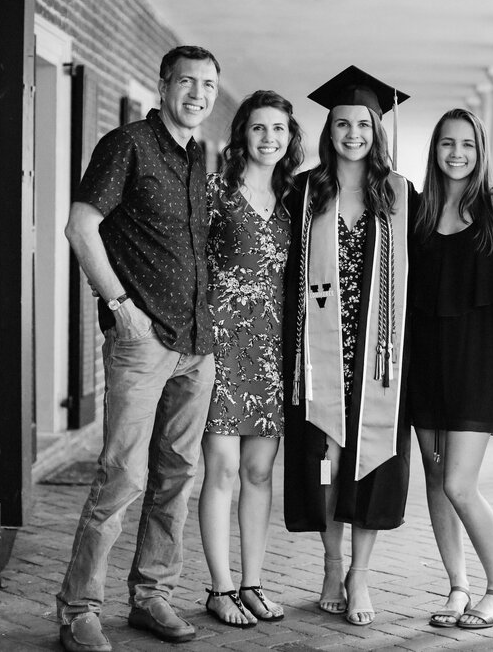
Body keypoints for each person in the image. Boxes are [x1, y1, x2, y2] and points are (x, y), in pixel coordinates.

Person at [58, 45, 221, 652]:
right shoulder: (126, 143)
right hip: (142, 342)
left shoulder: (199, 157)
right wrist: (121, 309)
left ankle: (152, 594)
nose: (199, 94)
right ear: (163, 85)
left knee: (178, 476)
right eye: (188, 82)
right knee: (121, 476)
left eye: (208, 85)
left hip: (196, 346)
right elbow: (80, 226)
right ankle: (78, 609)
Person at [282, 66, 419, 627]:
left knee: (370, 461)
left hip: (380, 354)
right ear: (328, 129)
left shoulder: (401, 195)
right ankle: (331, 565)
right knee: (326, 462)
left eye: (362, 123)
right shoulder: (304, 190)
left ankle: (360, 573)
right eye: (342, 123)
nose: (352, 134)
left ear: (377, 131)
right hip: (318, 350)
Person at [408, 108, 493, 630]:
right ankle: (457, 587)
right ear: (435, 149)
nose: (457, 153)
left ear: (480, 151)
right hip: (425, 358)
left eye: (467, 145)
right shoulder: (420, 210)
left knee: (458, 482)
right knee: (434, 477)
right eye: (447, 143)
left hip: (476, 358)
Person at [198, 90, 304, 629]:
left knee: (260, 473)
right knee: (223, 469)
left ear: (291, 138)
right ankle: (219, 588)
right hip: (220, 343)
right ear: (242, 134)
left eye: (279, 130)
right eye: (259, 128)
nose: (269, 138)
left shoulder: (295, 200)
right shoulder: (215, 191)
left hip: (270, 349)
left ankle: (252, 583)